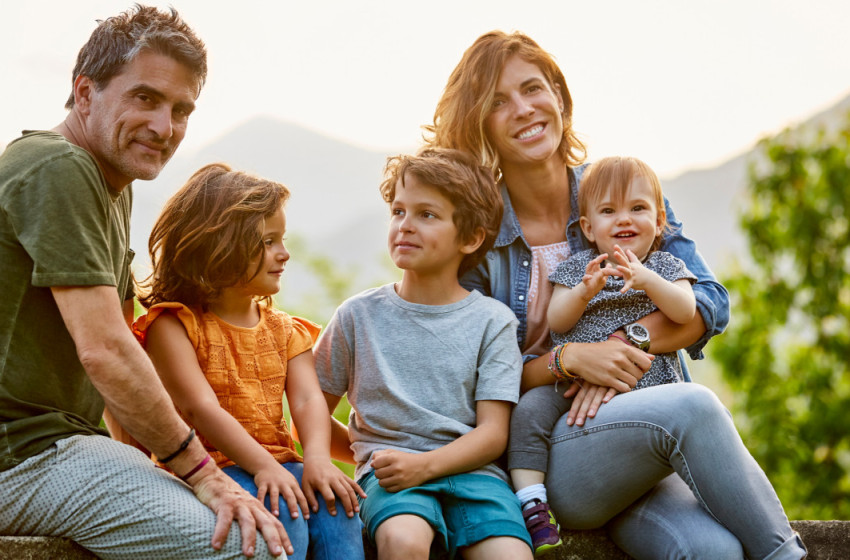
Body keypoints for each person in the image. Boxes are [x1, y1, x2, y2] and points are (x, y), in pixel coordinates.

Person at [426, 30, 806, 560]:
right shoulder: (477, 236)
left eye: (533, 88)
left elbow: (709, 304)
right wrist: (571, 360)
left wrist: (622, 347)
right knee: (694, 406)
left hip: (644, 435)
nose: (523, 110)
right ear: (480, 122)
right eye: (497, 102)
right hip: (548, 451)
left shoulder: (621, 193)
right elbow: (468, 377)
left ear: (558, 96)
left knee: (713, 552)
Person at [0, 6, 290, 559]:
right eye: (145, 98)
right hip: (18, 455)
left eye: (181, 109)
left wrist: (155, 465)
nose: (165, 127)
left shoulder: (112, 181)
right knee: (241, 547)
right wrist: (201, 474)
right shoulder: (58, 167)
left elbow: (119, 351)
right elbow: (106, 351)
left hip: (59, 444)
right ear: (85, 94)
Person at [133, 163, 366, 560]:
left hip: (281, 464)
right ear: (220, 246)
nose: (284, 252)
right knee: (280, 514)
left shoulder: (284, 329)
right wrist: (262, 467)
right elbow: (199, 407)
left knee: (336, 508)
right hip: (209, 471)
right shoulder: (174, 326)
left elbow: (308, 402)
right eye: (268, 241)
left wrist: (317, 461)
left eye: (283, 238)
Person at [315, 148, 533, 560]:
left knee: (510, 555)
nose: (405, 226)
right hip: (395, 485)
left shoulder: (493, 321)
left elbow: (492, 434)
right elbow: (310, 414)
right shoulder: (357, 316)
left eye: (426, 215)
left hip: (478, 479)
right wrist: (369, 457)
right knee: (404, 542)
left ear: (469, 238)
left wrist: (426, 465)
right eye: (398, 211)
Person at [508, 156, 698, 553]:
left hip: (643, 383)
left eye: (638, 209)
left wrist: (649, 280)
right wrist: (584, 291)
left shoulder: (665, 265)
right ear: (588, 228)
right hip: (571, 383)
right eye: (609, 212)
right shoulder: (579, 268)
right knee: (527, 413)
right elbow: (558, 323)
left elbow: (685, 312)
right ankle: (532, 503)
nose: (624, 219)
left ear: (660, 221)